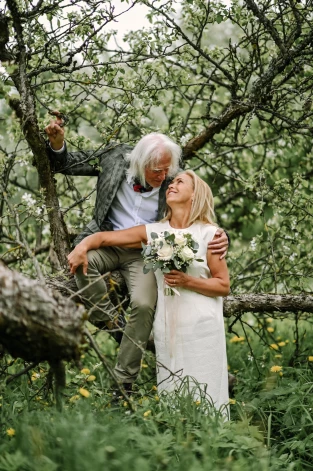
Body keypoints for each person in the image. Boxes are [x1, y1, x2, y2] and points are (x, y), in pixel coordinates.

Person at [45, 116, 229, 391]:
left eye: (167, 170)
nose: (163, 177)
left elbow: (197, 207)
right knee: (82, 263)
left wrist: (221, 234)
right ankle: (106, 320)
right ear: (139, 163)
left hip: (144, 253)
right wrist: (57, 143)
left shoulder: (172, 179)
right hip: (106, 242)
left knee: (143, 306)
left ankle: (123, 384)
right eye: (156, 170)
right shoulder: (114, 159)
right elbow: (66, 163)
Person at [68, 170, 230, 411]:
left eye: (179, 182)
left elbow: (223, 285)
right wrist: (83, 245)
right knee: (172, 395)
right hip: (168, 326)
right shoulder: (154, 232)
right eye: (171, 182)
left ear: (195, 195)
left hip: (202, 325)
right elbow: (104, 238)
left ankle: (210, 443)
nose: (171, 185)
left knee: (208, 397)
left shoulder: (210, 235)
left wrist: (187, 281)